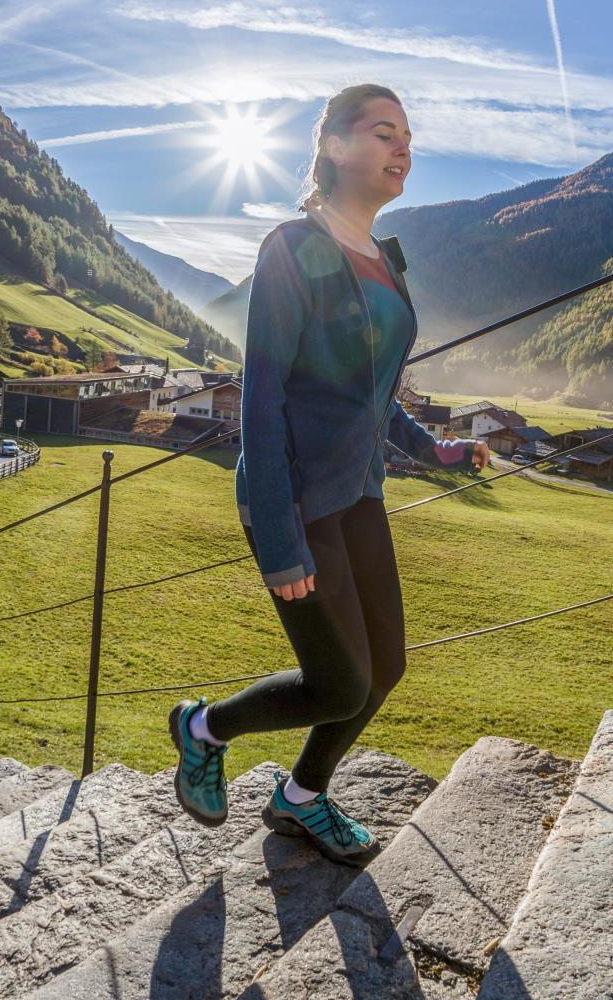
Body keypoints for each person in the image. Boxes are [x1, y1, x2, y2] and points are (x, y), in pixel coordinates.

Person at [168, 85, 488, 866]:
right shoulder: (292, 247)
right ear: (337, 147)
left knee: (386, 670)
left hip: (360, 495)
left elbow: (370, 393)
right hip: (296, 500)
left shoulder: (388, 258)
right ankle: (204, 729)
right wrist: (280, 540)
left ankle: (300, 799)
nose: (403, 147)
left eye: (409, 135)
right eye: (385, 132)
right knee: (340, 683)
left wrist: (434, 449)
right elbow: (265, 400)